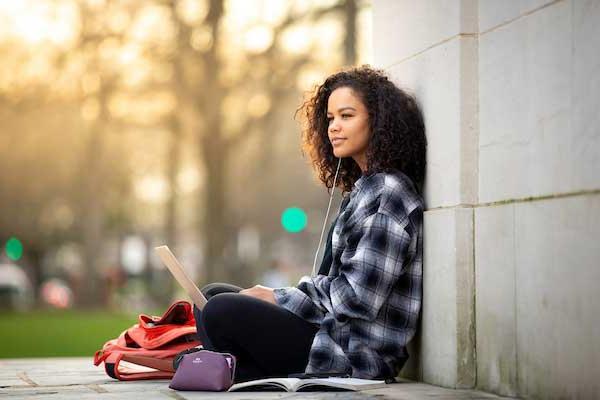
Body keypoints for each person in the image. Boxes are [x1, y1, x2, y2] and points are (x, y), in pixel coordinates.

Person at [193, 65, 426, 383]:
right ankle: (238, 369)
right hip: (326, 333)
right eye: (330, 118)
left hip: (352, 356)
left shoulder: (388, 193)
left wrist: (279, 297)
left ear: (378, 120)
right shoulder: (362, 189)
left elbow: (357, 297)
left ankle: (235, 368)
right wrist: (278, 297)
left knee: (220, 310)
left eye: (346, 116)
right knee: (210, 296)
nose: (334, 128)